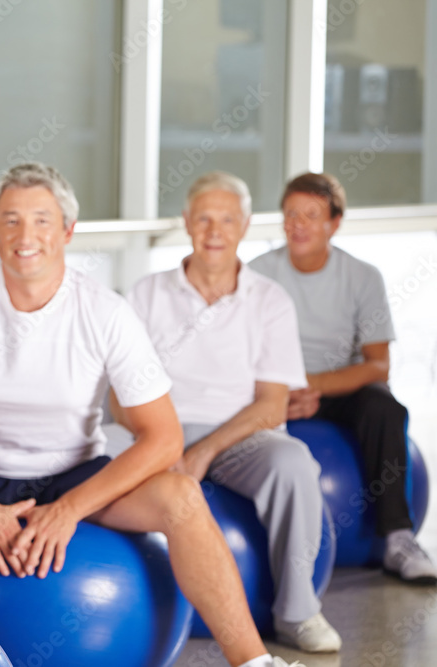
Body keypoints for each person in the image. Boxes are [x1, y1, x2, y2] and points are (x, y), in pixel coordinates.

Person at [0, 162, 282, 667]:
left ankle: (255, 661)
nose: (24, 235)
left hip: (73, 472)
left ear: (68, 231)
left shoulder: (104, 312)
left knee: (182, 497)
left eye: (41, 220)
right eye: (10, 220)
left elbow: (162, 437)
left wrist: (69, 509)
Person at [126, 171, 341, 653]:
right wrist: (161, 440)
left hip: (241, 433)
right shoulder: (146, 293)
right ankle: (139, 610)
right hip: (159, 427)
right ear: (185, 222)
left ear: (244, 226)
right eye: (203, 218)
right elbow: (122, 392)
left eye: (226, 219)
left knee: (294, 464)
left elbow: (271, 403)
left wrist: (202, 452)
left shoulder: (269, 299)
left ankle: (298, 612)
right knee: (92, 463)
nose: (214, 230)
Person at [250, 171, 436, 584]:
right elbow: (240, 354)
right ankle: (269, 546)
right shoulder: (258, 274)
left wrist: (314, 386)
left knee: (385, 407)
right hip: (275, 386)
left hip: (336, 386)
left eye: (311, 215)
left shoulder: (363, 276)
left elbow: (377, 365)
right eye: (291, 214)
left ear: (334, 223)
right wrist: (279, 393)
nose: (298, 225)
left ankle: (398, 539)